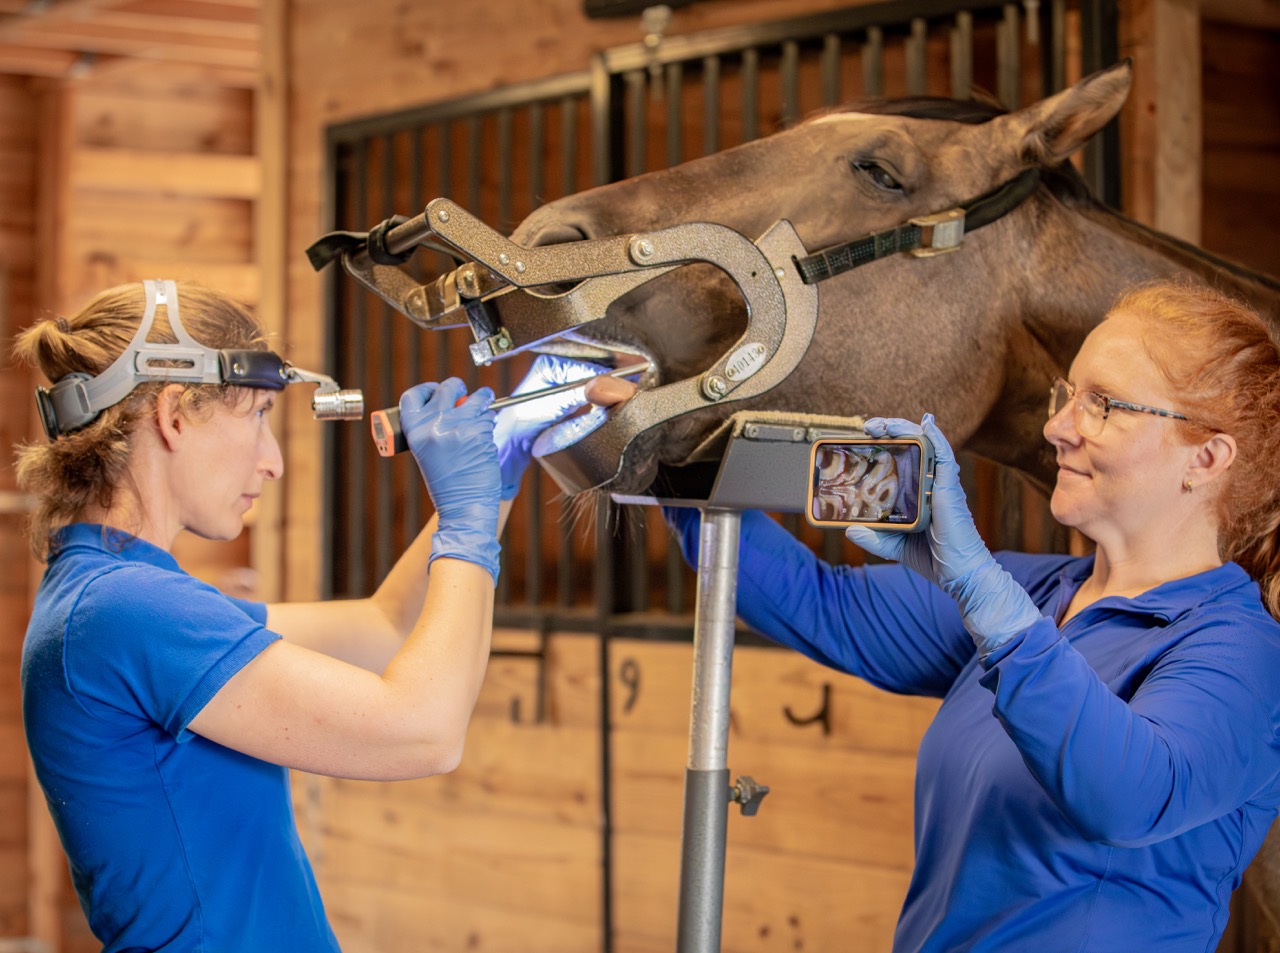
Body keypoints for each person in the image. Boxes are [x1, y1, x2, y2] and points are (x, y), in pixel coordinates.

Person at [662, 278, 1280, 952]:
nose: (1057, 427)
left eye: (1102, 405)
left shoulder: (1244, 651)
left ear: (1207, 459)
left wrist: (986, 594)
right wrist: (661, 457)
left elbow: (1132, 795)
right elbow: (820, 602)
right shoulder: (1040, 593)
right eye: (1069, 395)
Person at [14, 280, 590, 952]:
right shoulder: (124, 611)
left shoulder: (113, 596)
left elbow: (383, 628)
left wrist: (494, 469)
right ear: (174, 414)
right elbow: (425, 732)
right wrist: (465, 522)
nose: (274, 461)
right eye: (257, 415)